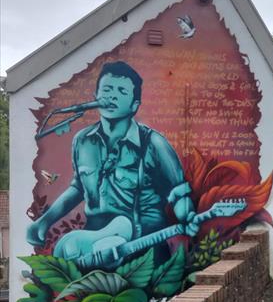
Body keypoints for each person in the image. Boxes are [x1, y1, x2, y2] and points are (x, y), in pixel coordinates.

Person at [27, 61, 197, 250]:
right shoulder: (82, 141)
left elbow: (179, 191)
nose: (112, 96)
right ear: (96, 96)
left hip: (142, 245)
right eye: (107, 89)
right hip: (94, 244)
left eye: (122, 92)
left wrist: (188, 216)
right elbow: (78, 188)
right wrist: (44, 221)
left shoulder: (154, 143)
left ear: (134, 105)